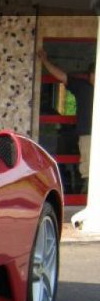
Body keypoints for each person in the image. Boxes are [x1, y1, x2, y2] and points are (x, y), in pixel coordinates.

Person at [38, 49, 95, 193]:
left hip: (89, 134)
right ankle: (87, 199)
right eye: (93, 73)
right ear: (90, 76)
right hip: (87, 135)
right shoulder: (83, 87)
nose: (96, 76)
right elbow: (62, 76)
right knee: (88, 170)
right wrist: (45, 62)